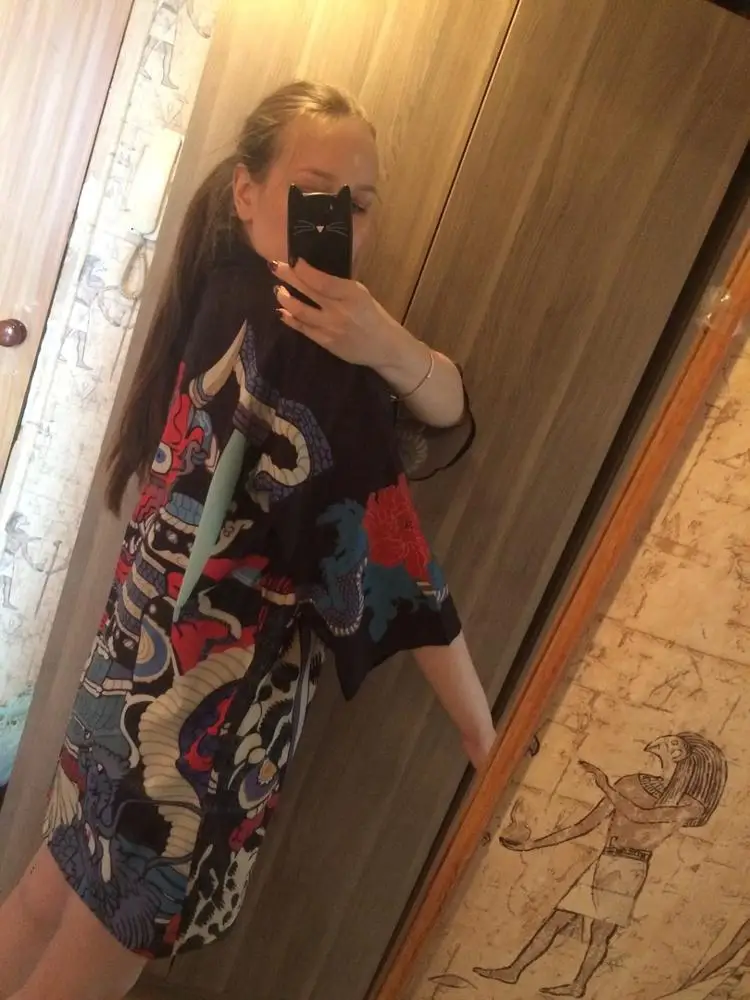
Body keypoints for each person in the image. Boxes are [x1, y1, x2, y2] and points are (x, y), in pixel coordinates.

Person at [0, 81, 496, 1000]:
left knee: (44, 896)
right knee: (88, 961)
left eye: (359, 204)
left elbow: (433, 420)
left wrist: (381, 340)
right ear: (246, 190)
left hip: (122, 675)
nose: (338, 221)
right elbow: (391, 555)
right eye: (316, 193)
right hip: (193, 731)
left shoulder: (224, 283)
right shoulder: (312, 352)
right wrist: (483, 732)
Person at [475, 733, 727, 997]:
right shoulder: (630, 783)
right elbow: (586, 824)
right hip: (605, 860)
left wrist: (605, 785)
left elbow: (640, 815)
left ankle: (578, 985)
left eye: (674, 743)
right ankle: (513, 970)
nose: (664, 741)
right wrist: (533, 844)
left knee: (600, 933)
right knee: (556, 919)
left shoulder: (690, 804)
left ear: (680, 755)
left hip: (629, 869)